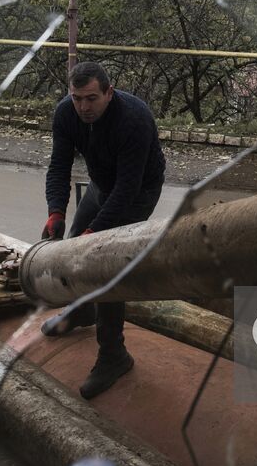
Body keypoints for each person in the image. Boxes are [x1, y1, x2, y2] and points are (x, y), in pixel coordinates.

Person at [40, 61, 166, 399]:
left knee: (105, 264)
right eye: (77, 98)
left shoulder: (134, 118)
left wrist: (95, 232)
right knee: (72, 248)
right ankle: (83, 308)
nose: (84, 107)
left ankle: (114, 355)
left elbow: (127, 188)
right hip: (100, 185)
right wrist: (55, 212)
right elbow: (58, 166)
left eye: (92, 98)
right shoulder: (66, 114)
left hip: (138, 191)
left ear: (109, 92)